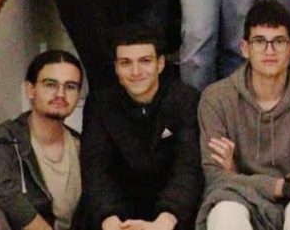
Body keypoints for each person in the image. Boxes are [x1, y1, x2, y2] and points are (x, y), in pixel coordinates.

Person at [197, 0, 290, 230]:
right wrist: (285, 186)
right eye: (260, 41)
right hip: (239, 203)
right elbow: (215, 178)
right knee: (225, 210)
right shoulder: (216, 98)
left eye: (279, 42)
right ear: (244, 48)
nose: (269, 51)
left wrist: (235, 175)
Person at [80, 25, 203, 230]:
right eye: (126, 63)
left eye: (145, 61)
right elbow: (96, 169)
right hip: (114, 212)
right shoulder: (100, 104)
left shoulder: (185, 99)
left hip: (172, 212)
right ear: (116, 67)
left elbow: (188, 167)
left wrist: (165, 220)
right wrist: (110, 220)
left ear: (160, 64)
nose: (136, 72)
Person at [0, 51, 85, 230]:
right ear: (30, 90)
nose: (61, 94)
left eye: (70, 87)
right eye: (50, 85)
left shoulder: (85, 145)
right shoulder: (4, 140)